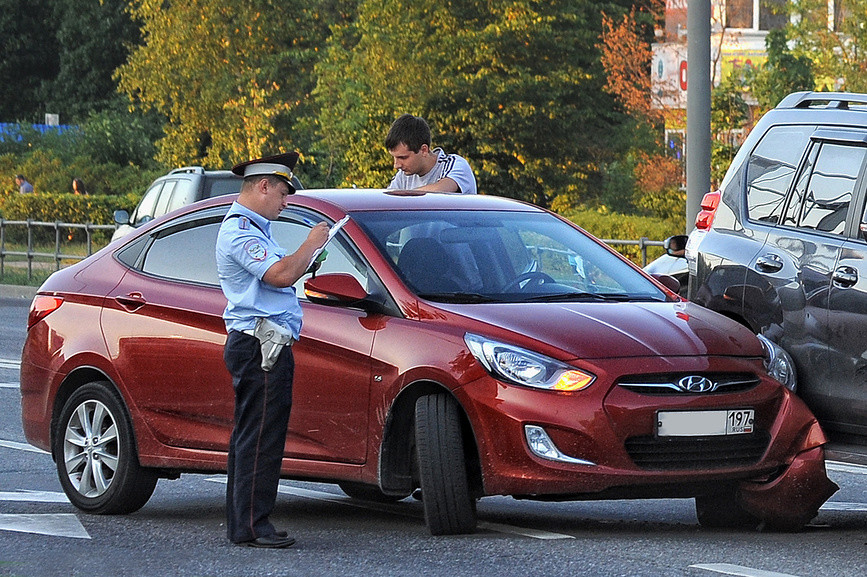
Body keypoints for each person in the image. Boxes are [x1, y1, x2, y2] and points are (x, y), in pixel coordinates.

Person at [215, 152, 329, 549]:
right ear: (263, 186)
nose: (286, 201)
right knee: (260, 436)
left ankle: (245, 522)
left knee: (255, 434)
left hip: (264, 342)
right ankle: (251, 524)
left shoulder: (255, 227)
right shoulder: (240, 231)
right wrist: (311, 244)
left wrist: (306, 258)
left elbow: (280, 272)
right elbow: (279, 275)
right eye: (282, 192)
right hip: (260, 344)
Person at [385, 114, 477, 194]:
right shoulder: (403, 176)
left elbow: (444, 189)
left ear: (424, 150)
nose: (396, 165)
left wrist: (403, 196)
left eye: (403, 157)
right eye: (394, 157)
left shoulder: (455, 165)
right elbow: (388, 202)